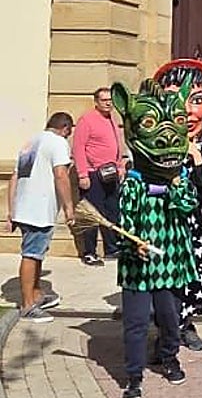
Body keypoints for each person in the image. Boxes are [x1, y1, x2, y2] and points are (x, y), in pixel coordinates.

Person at [113, 80, 198, 398]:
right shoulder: (133, 184)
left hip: (171, 260)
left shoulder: (180, 179)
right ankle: (133, 377)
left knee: (169, 318)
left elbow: (188, 205)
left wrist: (177, 183)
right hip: (139, 265)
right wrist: (133, 244)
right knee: (134, 323)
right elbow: (125, 224)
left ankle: (169, 356)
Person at [156, 59, 202, 351]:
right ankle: (165, 333)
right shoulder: (153, 150)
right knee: (163, 282)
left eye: (196, 100)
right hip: (162, 231)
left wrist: (198, 159)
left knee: (190, 278)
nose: (187, 111)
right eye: (173, 99)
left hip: (191, 231)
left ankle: (186, 324)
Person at [8, 113, 75, 322]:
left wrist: (11, 210)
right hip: (38, 209)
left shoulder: (31, 141)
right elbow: (61, 175)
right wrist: (69, 207)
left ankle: (36, 294)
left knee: (36, 254)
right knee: (31, 254)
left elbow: (14, 177)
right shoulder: (58, 143)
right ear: (65, 128)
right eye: (69, 133)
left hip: (24, 207)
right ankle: (28, 305)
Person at [73, 86, 125, 265]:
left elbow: (117, 145)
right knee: (92, 214)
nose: (108, 103)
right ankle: (89, 252)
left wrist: (120, 166)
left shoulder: (112, 118)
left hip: (111, 173)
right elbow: (78, 148)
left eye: (110, 100)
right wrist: (82, 174)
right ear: (96, 102)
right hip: (93, 174)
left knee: (112, 211)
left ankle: (112, 248)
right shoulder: (86, 120)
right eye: (104, 100)